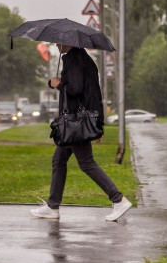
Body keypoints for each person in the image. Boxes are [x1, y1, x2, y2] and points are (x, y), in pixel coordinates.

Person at [30, 44, 132, 222]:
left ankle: (118, 199)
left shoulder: (75, 60)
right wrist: (97, 123)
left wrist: (58, 83)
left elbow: (76, 89)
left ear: (69, 43)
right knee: (59, 160)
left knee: (86, 163)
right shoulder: (83, 59)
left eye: (59, 42)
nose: (56, 45)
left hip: (75, 123)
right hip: (77, 122)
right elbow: (92, 93)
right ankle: (52, 206)